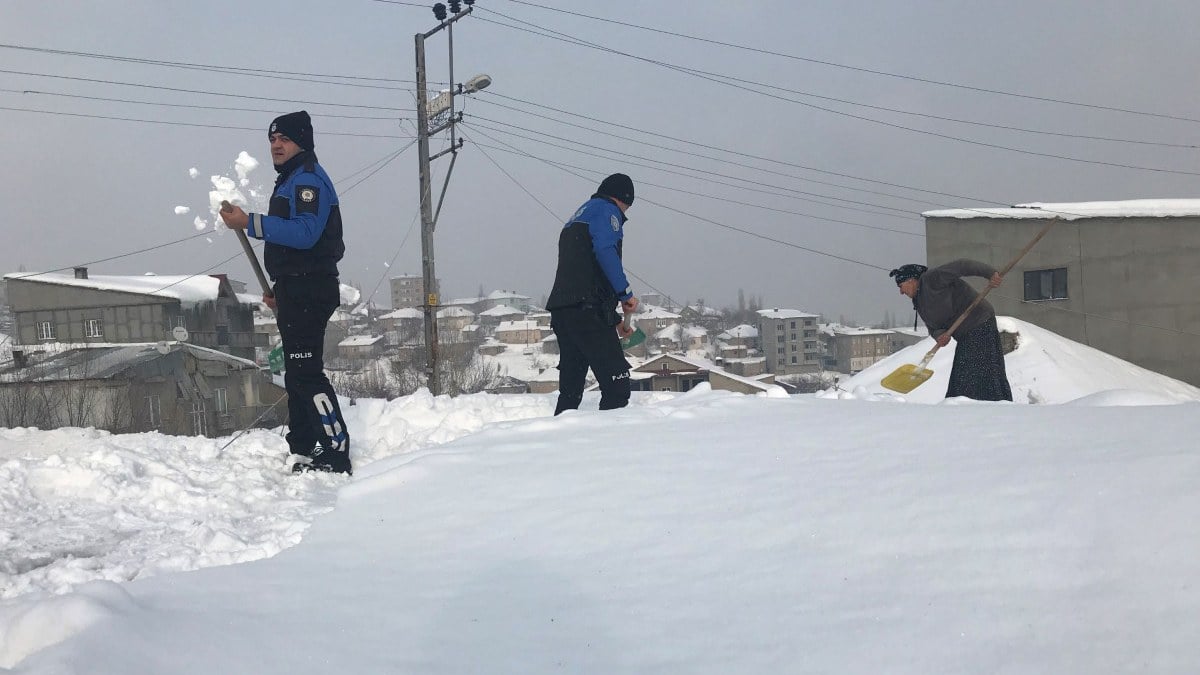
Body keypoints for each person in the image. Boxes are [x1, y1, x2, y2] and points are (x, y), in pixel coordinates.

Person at [219, 111, 352, 474]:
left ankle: (336, 450)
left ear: (302, 142)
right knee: (296, 371)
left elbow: (306, 233)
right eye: (272, 139)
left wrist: (249, 222)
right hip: (297, 288)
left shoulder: (308, 181)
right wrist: (284, 288)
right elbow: (293, 243)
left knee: (306, 371)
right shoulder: (291, 180)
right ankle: (304, 444)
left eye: (285, 139)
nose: (276, 145)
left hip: (311, 288)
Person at [545, 173, 640, 415]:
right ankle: (609, 447)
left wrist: (616, 320)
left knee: (571, 391)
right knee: (617, 385)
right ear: (621, 199)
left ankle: (559, 442)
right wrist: (625, 293)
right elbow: (605, 250)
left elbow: (584, 274)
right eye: (626, 207)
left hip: (564, 311)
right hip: (588, 311)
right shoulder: (607, 212)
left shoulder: (578, 216)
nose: (624, 213)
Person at [890, 260, 1013, 401]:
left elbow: (963, 265)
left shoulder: (932, 279)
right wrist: (939, 335)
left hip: (979, 320)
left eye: (901, 286)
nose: (900, 292)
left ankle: (982, 402)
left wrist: (990, 273)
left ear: (911, 280)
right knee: (965, 371)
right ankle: (969, 402)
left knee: (972, 370)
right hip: (964, 334)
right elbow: (933, 327)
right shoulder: (919, 301)